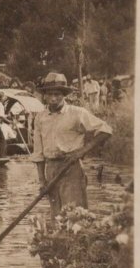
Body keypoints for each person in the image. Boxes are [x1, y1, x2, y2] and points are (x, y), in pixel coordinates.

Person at [32, 72, 112, 217]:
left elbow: (105, 130)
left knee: (75, 216)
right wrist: (42, 181)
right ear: (45, 96)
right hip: (51, 169)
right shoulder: (40, 117)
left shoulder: (77, 113)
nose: (53, 98)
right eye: (50, 94)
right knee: (56, 217)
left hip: (71, 168)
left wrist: (82, 151)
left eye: (57, 94)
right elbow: (38, 152)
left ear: (64, 95)